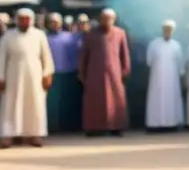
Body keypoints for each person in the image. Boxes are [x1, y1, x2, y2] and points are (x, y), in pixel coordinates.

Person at [0, 9, 55, 148]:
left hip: (35, 77)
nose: (24, 22)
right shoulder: (8, 36)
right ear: (16, 20)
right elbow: (1, 58)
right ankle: (8, 135)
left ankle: (34, 134)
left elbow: (46, 57)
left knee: (34, 104)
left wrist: (47, 74)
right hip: (12, 77)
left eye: (27, 19)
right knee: (10, 105)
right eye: (21, 19)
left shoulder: (39, 35)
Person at [79, 8, 131, 136]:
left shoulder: (120, 33)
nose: (106, 21)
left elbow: (124, 54)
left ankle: (116, 127)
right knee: (94, 101)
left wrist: (125, 70)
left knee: (116, 101)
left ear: (113, 20)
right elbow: (83, 56)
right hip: (94, 74)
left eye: (109, 19)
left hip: (115, 75)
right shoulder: (90, 34)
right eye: (103, 18)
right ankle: (94, 128)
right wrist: (82, 73)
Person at [45, 12, 83, 133]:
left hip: (69, 74)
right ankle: (52, 127)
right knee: (52, 103)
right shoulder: (44, 38)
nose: (54, 24)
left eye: (56, 22)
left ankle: (69, 126)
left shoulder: (71, 37)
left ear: (61, 23)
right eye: (52, 22)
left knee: (68, 101)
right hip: (52, 74)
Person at [146, 19, 185, 131]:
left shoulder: (177, 46)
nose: (168, 32)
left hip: (172, 81)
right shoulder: (153, 44)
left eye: (170, 30)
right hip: (156, 80)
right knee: (156, 100)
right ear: (162, 30)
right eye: (166, 30)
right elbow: (148, 62)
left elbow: (180, 65)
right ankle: (155, 125)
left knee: (171, 100)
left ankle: (171, 124)